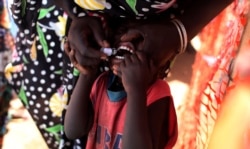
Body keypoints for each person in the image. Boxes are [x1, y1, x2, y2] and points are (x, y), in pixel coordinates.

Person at [64, 20, 178, 148]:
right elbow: (72, 131)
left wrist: (136, 89)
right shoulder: (101, 82)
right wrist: (87, 75)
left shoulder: (157, 91)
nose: (128, 38)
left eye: (140, 39)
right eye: (121, 32)